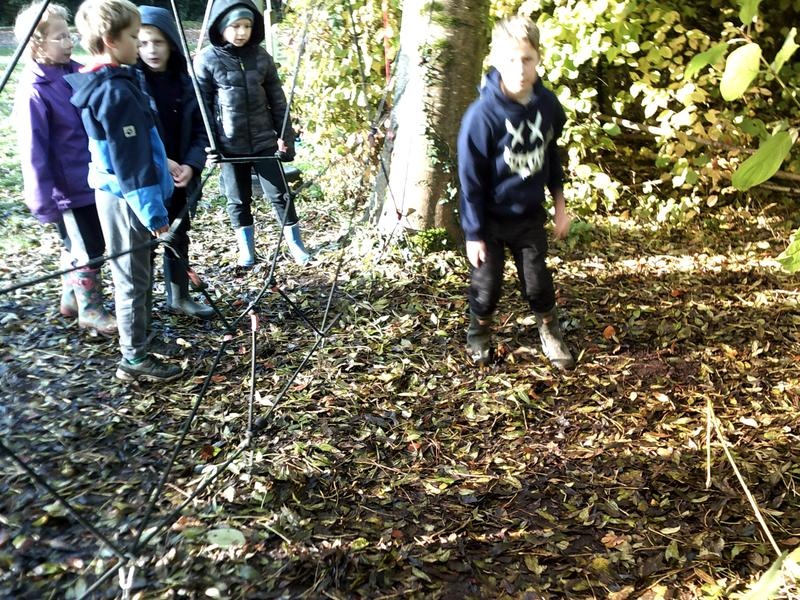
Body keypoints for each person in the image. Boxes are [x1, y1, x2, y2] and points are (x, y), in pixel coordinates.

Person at [67, 0, 182, 382]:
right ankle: (133, 359)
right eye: (134, 37)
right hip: (127, 199)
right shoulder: (113, 92)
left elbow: (138, 147)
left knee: (140, 273)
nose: (140, 44)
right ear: (110, 40)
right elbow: (130, 164)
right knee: (131, 279)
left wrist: (164, 163)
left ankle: (143, 338)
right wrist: (154, 213)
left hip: (128, 193)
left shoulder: (115, 81)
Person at [457, 15, 574, 370]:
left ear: (538, 58)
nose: (520, 69)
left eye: (527, 59)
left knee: (538, 284)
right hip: (489, 221)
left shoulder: (547, 105)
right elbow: (470, 181)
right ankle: (479, 333)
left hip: (528, 217)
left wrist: (559, 204)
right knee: (486, 287)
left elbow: (550, 154)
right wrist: (474, 233)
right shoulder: (482, 116)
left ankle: (550, 331)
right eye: (511, 59)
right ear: (496, 59)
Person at [13, 1, 116, 336]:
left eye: (69, 34)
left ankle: (70, 298)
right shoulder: (34, 90)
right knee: (89, 248)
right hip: (69, 188)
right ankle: (91, 310)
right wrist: (42, 201)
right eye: (59, 37)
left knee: (80, 243)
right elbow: (33, 151)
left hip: (92, 177)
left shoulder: (76, 72)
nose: (69, 41)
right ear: (36, 44)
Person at [194, 0, 311, 268]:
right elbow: (201, 107)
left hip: (263, 142)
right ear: (221, 27)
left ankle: (296, 245)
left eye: (246, 26)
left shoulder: (261, 57)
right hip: (228, 146)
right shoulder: (207, 59)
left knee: (281, 195)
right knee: (237, 199)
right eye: (235, 26)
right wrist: (209, 146)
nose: (241, 32)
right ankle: (246, 250)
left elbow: (278, 101)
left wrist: (286, 140)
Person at [135, 6, 214, 320]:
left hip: (181, 175)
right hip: (146, 177)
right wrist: (161, 162)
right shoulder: (132, 83)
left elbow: (203, 131)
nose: (151, 50)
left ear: (171, 44)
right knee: (143, 243)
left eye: (158, 42)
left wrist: (192, 165)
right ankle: (140, 309)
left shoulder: (187, 84)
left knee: (179, 235)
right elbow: (130, 136)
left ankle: (178, 297)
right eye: (143, 43)